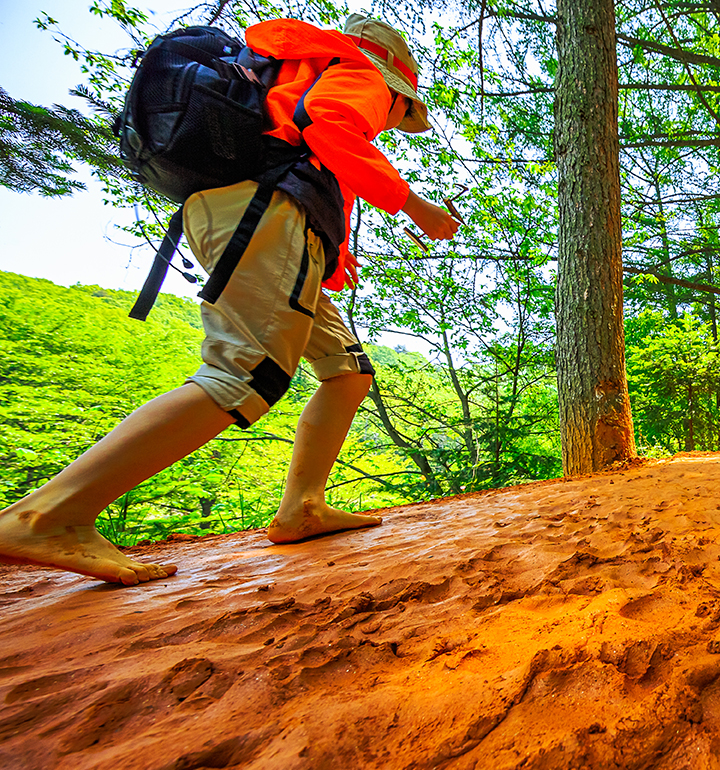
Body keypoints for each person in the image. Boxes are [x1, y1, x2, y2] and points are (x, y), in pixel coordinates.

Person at [0, 15, 459, 586]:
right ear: (397, 84)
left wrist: (326, 261)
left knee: (348, 371)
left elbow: (306, 145)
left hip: (251, 214)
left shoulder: (291, 78)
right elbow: (331, 130)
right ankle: (45, 515)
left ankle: (303, 507)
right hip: (263, 214)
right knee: (242, 373)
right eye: (402, 111)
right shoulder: (360, 73)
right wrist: (415, 205)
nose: (393, 122)